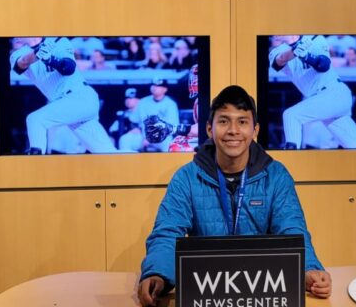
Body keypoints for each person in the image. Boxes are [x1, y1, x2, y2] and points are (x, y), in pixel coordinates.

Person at [137, 85, 331, 306]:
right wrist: (157, 274)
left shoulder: (276, 176)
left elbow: (292, 230)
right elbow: (168, 233)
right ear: (209, 129)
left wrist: (309, 269)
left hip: (262, 293)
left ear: (255, 130)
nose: (233, 130)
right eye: (223, 121)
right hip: (207, 292)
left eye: (242, 121)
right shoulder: (187, 178)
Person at [9, 37, 116, 154]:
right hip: (68, 105)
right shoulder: (17, 54)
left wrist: (51, 59)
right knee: (106, 152)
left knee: (35, 119)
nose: (15, 37)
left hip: (80, 96)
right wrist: (37, 53)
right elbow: (21, 64)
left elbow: (69, 68)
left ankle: (36, 163)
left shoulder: (59, 41)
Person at [269, 35, 356, 149]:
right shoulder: (275, 51)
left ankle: (291, 157)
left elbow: (324, 65)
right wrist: (294, 50)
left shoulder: (315, 38)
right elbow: (280, 60)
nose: (275, 34)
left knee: (291, 115)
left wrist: (307, 56)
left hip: (334, 92)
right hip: (322, 101)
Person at [137, 77, 181, 152]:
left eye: (158, 86)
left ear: (165, 89)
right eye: (153, 85)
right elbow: (138, 121)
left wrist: (152, 136)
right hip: (143, 135)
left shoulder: (170, 104)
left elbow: (172, 125)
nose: (155, 88)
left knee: (169, 143)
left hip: (163, 136)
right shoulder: (143, 102)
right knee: (126, 139)